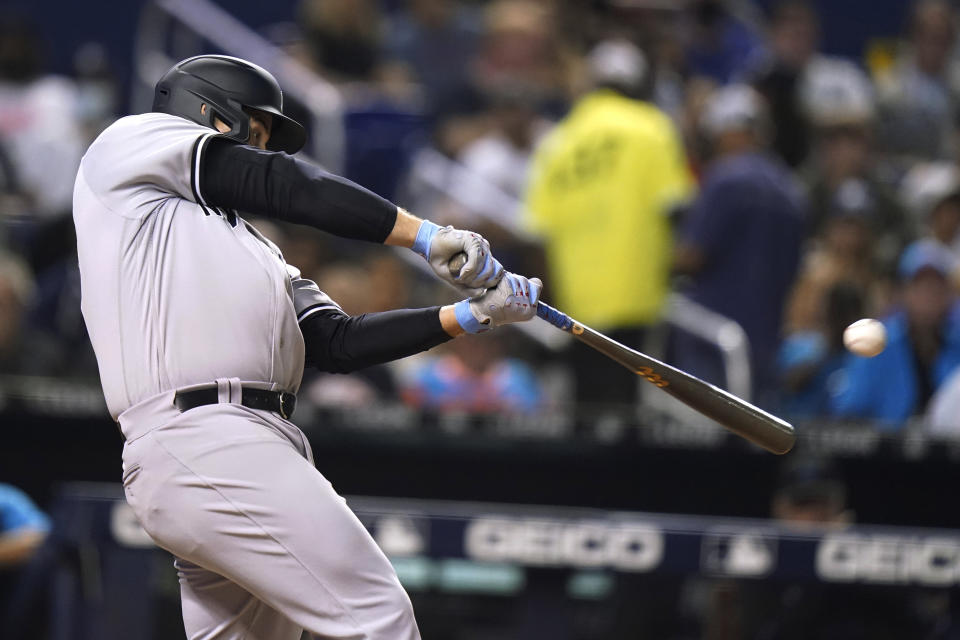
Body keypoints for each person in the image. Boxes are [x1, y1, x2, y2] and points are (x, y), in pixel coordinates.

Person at [72, 54, 544, 640]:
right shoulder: (131, 144)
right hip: (203, 436)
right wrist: (424, 235)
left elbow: (335, 342)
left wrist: (471, 316)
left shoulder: (256, 251)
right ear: (205, 107)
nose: (263, 145)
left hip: (238, 445)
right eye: (256, 128)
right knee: (379, 618)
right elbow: (279, 182)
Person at [524, 38, 693, 407]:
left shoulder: (557, 141)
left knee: (586, 408)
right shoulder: (653, 128)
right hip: (637, 294)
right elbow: (676, 208)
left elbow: (537, 233)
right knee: (629, 408)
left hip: (575, 301)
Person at [673, 84, 805, 404]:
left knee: (704, 436)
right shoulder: (792, 189)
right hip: (766, 341)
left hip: (713, 339)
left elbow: (691, 257)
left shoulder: (726, 177)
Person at [830, 239, 960, 427]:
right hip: (883, 453)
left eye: (936, 287)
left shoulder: (957, 345)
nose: (929, 296)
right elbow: (847, 409)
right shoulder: (875, 343)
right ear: (902, 291)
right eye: (920, 286)